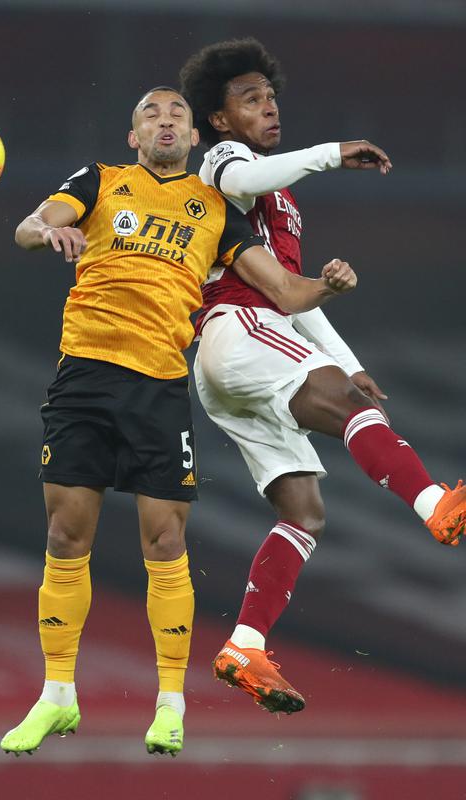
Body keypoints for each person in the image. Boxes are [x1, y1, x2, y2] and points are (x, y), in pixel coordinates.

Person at [0, 86, 357, 757]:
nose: (165, 120)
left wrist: (326, 287)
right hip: (84, 374)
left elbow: (282, 290)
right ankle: (56, 696)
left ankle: (170, 705)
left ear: (194, 139)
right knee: (65, 535)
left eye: (177, 115)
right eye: (150, 115)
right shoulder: (99, 181)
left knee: (164, 544)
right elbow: (28, 224)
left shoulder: (216, 210)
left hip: (159, 385)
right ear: (133, 137)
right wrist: (48, 229)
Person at [179, 38, 466, 715]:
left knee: (303, 512)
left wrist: (353, 365)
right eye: (249, 100)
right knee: (349, 413)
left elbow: (289, 294)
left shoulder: (281, 200)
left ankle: (245, 644)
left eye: (270, 96)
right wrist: (334, 153)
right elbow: (245, 182)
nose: (267, 107)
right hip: (235, 331)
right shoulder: (224, 163)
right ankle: (435, 507)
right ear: (220, 120)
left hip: (241, 354)